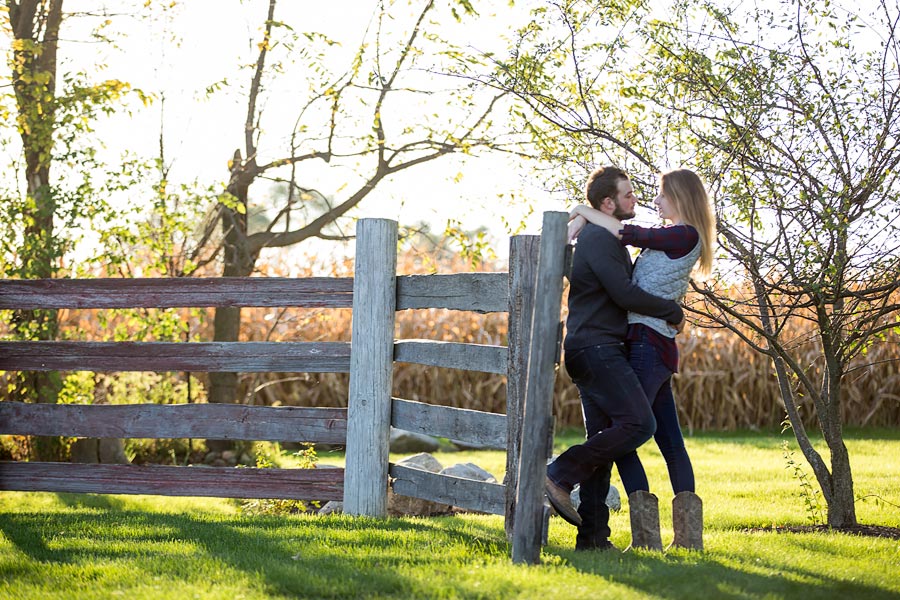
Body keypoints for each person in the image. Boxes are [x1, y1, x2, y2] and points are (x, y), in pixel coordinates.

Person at [567, 168, 716, 551]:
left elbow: (626, 234)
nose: (654, 201)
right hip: (653, 344)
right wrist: (581, 217)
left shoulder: (683, 233)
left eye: (662, 195)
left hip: (647, 344)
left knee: (629, 431)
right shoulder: (671, 237)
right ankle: (683, 542)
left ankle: (651, 539)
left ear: (680, 197)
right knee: (668, 441)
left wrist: (579, 211)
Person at [544, 166, 685, 552]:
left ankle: (592, 539)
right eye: (627, 195)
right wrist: (670, 311)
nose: (634, 199)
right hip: (596, 350)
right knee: (640, 424)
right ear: (608, 203)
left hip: (598, 348)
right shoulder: (599, 240)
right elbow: (623, 294)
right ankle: (559, 471)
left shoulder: (604, 237)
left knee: (604, 444)